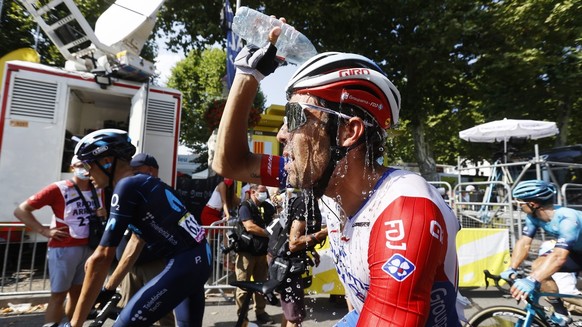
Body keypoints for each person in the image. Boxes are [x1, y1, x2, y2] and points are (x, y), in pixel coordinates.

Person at [211, 18, 461, 326]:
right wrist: (249, 74)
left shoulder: (405, 210)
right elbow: (230, 163)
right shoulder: (326, 176)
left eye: (295, 116)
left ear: (347, 132)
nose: (281, 134)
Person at [69, 129, 211, 327]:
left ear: (107, 161)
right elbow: (136, 241)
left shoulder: (126, 186)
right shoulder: (145, 184)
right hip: (198, 260)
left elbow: (101, 258)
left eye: (87, 165)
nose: (86, 173)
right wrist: (110, 288)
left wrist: (74, 323)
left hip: (185, 264)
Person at [14, 155, 105, 327]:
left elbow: (102, 213)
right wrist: (44, 230)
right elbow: (21, 211)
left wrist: (102, 214)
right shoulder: (58, 188)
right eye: (80, 165)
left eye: (88, 166)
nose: (84, 169)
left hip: (89, 246)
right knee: (58, 295)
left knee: (77, 293)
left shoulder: (97, 189)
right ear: (72, 167)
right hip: (64, 248)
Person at [502, 179, 582, 326]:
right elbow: (524, 243)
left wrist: (532, 280)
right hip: (578, 252)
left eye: (520, 203)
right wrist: (511, 268)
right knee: (538, 266)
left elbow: (559, 257)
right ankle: (560, 312)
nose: (518, 206)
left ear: (533, 204)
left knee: (538, 274)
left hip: (574, 252)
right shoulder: (533, 217)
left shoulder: (567, 218)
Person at [109, 153, 175, 327]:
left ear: (151, 170)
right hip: (128, 264)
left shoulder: (161, 192)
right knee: (127, 309)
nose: (132, 173)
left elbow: (140, 237)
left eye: (137, 170)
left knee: (162, 307)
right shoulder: (127, 189)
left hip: (154, 261)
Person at [268, 190, 328, 327]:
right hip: (284, 260)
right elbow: (294, 243)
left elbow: (299, 232)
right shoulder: (304, 202)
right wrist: (325, 232)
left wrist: (311, 250)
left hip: (284, 257)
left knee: (290, 311)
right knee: (295, 315)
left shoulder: (308, 200)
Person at [235, 184, 275, 325]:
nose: (264, 194)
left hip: (262, 252)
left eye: (265, 192)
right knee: (243, 287)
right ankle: (243, 315)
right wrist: (267, 233)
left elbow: (275, 220)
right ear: (253, 192)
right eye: (262, 192)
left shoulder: (266, 207)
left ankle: (261, 312)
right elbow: (249, 226)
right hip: (246, 252)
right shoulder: (245, 206)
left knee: (261, 285)